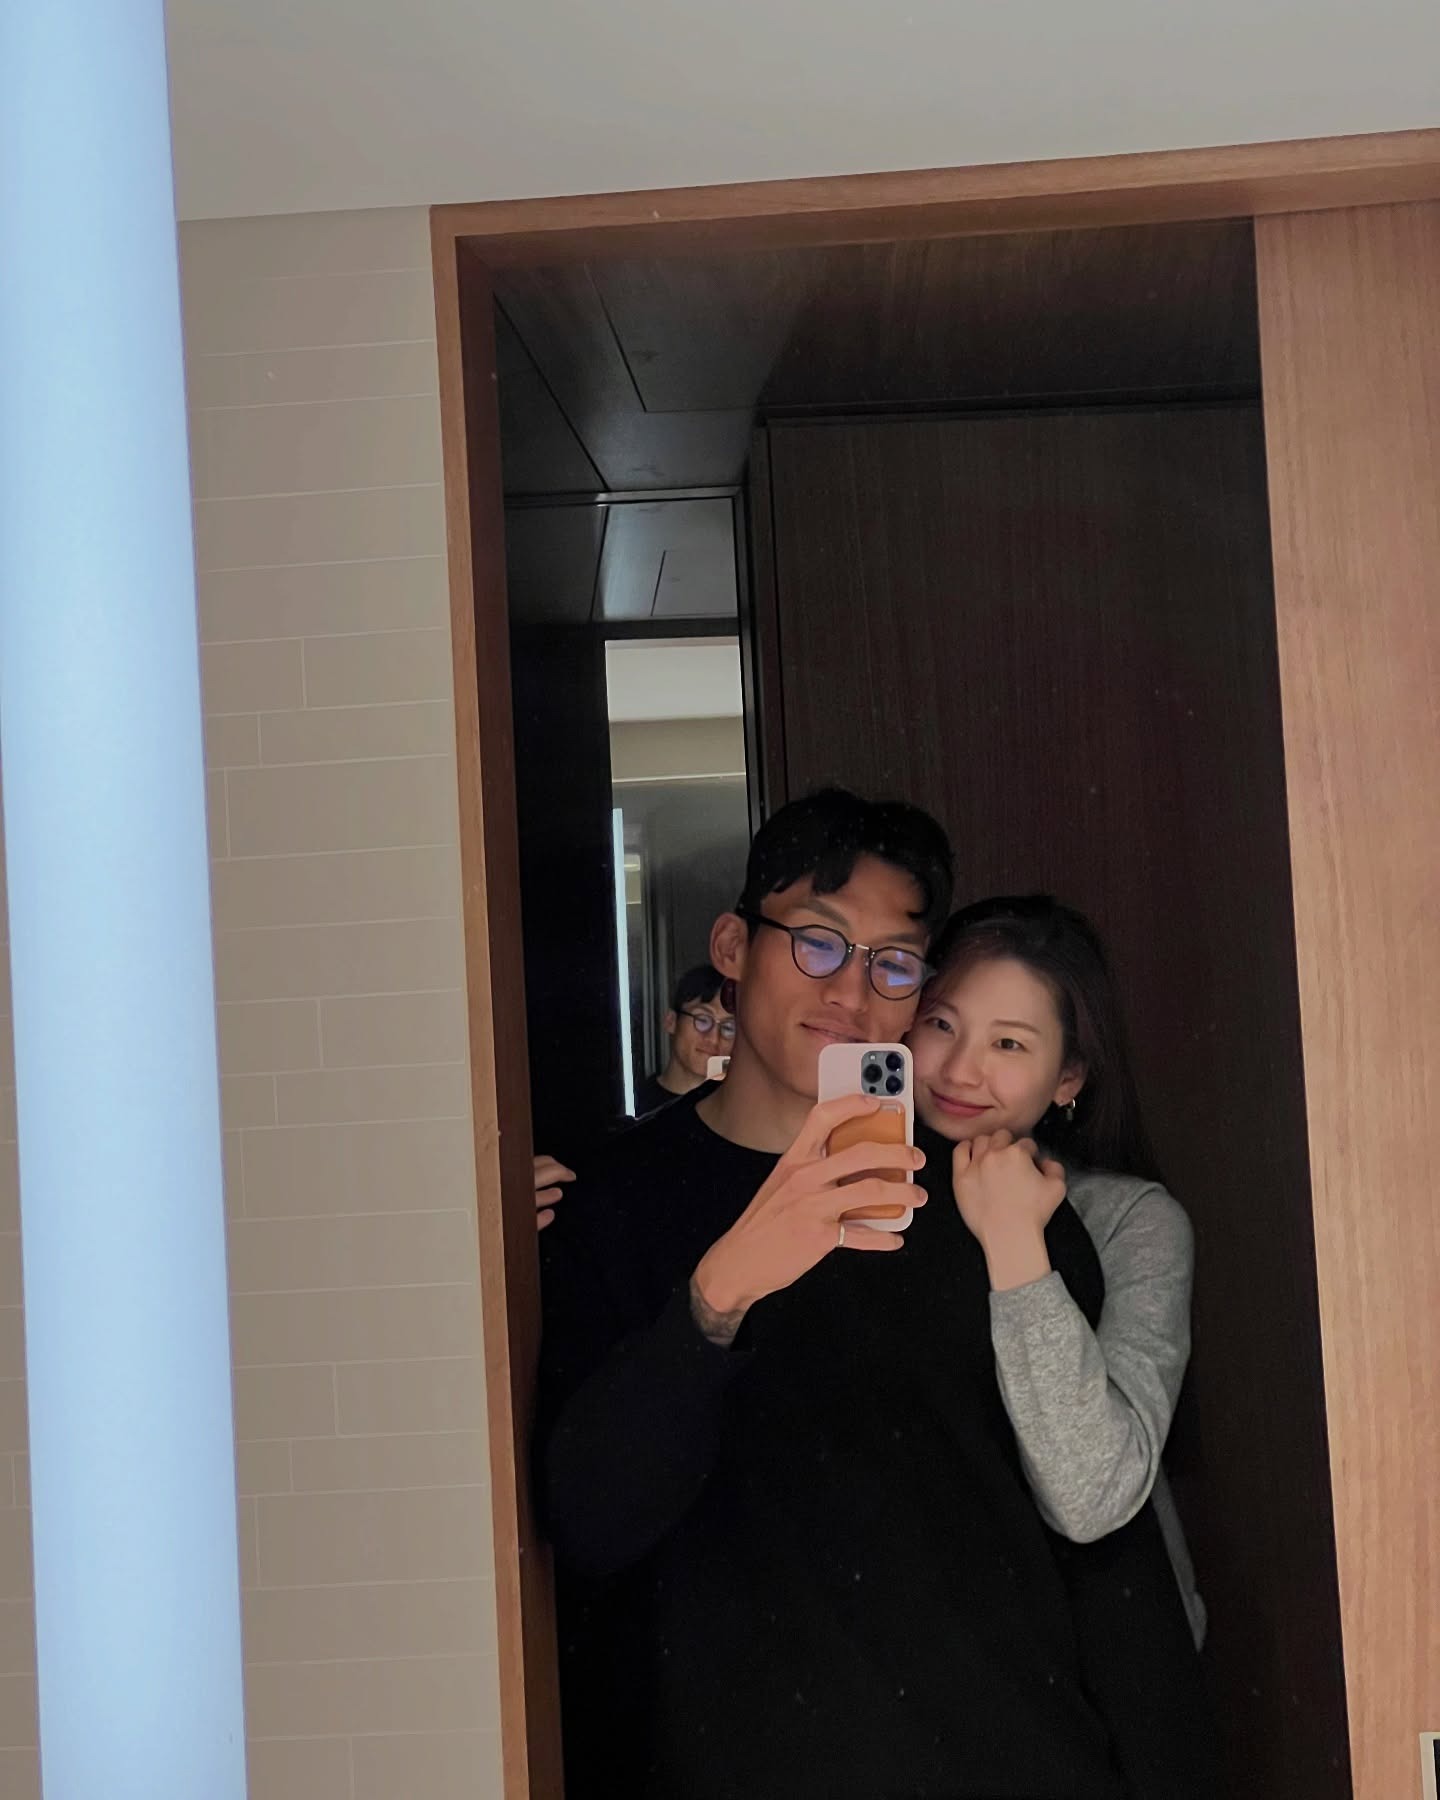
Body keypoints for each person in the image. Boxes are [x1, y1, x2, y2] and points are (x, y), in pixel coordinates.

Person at [537, 789, 1213, 1799]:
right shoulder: (611, 1204)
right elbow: (589, 1524)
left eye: (893, 962)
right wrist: (720, 1292)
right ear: (733, 947)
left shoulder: (998, 1205)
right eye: (817, 942)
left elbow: (1107, 1568)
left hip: (1017, 1761)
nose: (850, 989)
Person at [905, 895, 1206, 1644]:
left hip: (1092, 1650)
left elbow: (1092, 1494)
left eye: (1008, 1044)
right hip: (925, 1640)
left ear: (1068, 1077)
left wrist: (1015, 1244)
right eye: (940, 1024)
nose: (960, 1069)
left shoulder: (1130, 1223)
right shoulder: (847, 1199)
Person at [631, 962, 734, 1117]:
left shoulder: (740, 1111)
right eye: (702, 1020)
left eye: (728, 1027)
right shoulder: (634, 1105)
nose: (714, 1038)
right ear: (671, 1022)